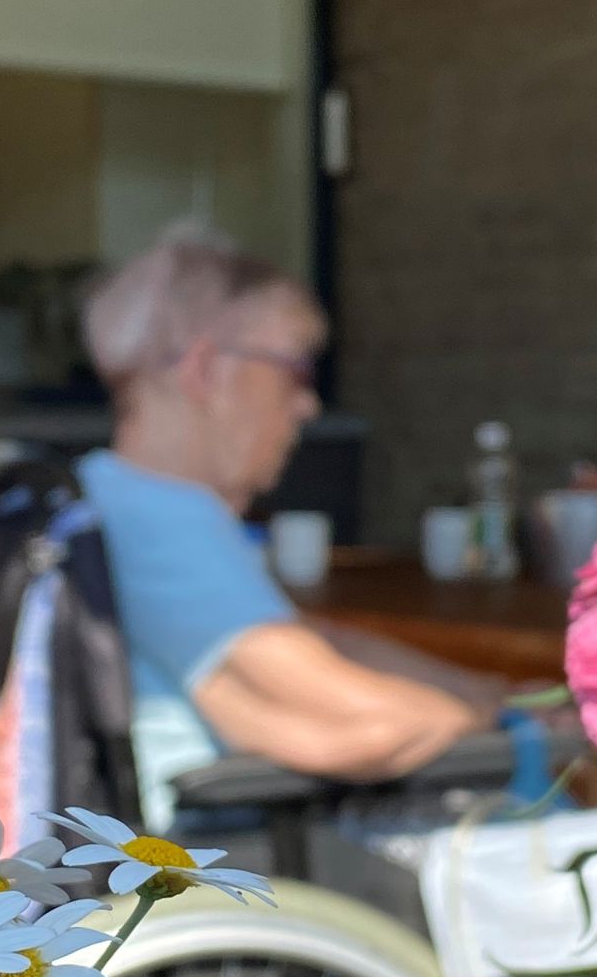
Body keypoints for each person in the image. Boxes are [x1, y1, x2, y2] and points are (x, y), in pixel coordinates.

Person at [72, 227, 504, 827]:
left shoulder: (104, 496)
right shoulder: (164, 518)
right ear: (204, 370)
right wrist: (504, 724)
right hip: (221, 874)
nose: (308, 405)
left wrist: (499, 695)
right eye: (296, 369)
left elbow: (307, 643)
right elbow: (347, 723)